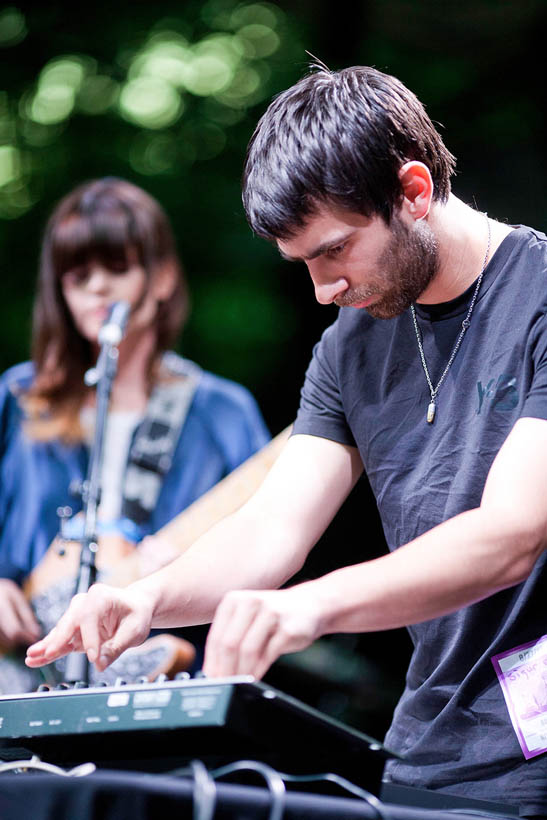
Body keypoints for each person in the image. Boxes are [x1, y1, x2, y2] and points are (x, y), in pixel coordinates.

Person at [26, 66, 547, 818]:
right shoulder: (348, 346)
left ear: (412, 191)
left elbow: (509, 536)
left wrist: (307, 608)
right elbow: (273, 528)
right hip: (428, 753)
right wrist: (146, 598)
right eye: (301, 263)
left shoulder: (536, 298)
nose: (322, 288)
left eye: (334, 251)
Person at [0, 176, 270, 690]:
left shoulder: (222, 411)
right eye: (78, 277)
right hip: (23, 668)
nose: (97, 288)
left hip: (166, 675)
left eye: (117, 268)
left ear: (163, 278)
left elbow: (268, 542)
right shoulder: (18, 399)